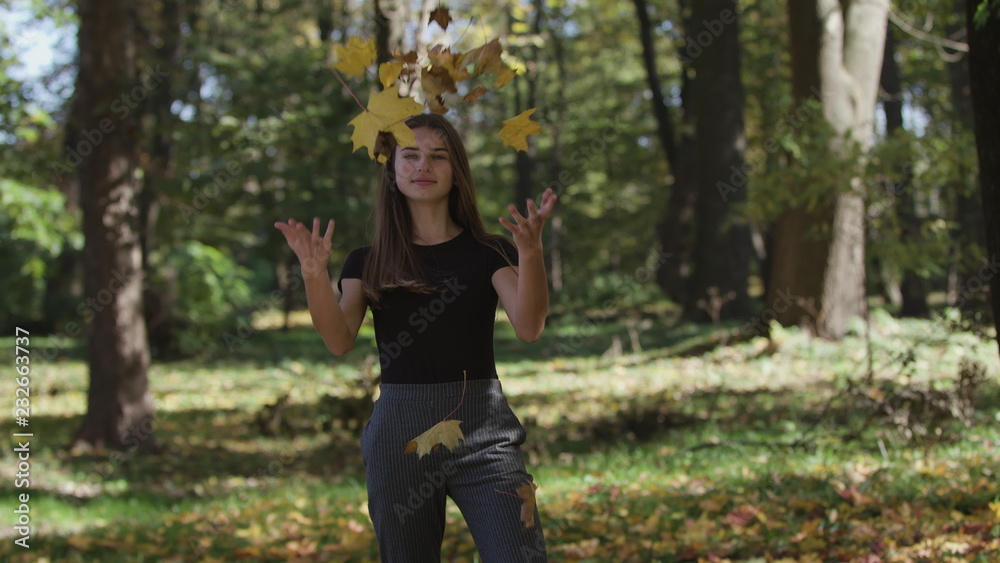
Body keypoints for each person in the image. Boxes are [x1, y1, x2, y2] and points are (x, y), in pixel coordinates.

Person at [274, 113, 555, 562]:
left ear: (457, 171)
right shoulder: (368, 261)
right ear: (391, 172)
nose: (423, 165)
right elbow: (339, 338)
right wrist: (313, 274)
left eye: (438, 156)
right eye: (410, 155)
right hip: (398, 434)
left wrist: (531, 252)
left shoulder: (490, 251)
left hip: (485, 431)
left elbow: (530, 326)